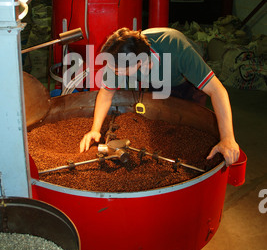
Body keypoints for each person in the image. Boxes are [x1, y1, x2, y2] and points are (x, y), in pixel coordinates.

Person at [79, 27, 240, 166]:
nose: (113, 72)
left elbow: (218, 90)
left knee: (189, 129)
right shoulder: (119, 57)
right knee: (160, 125)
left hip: (186, 81)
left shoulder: (177, 49)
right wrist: (95, 130)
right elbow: (106, 93)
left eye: (118, 71)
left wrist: (228, 138)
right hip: (158, 80)